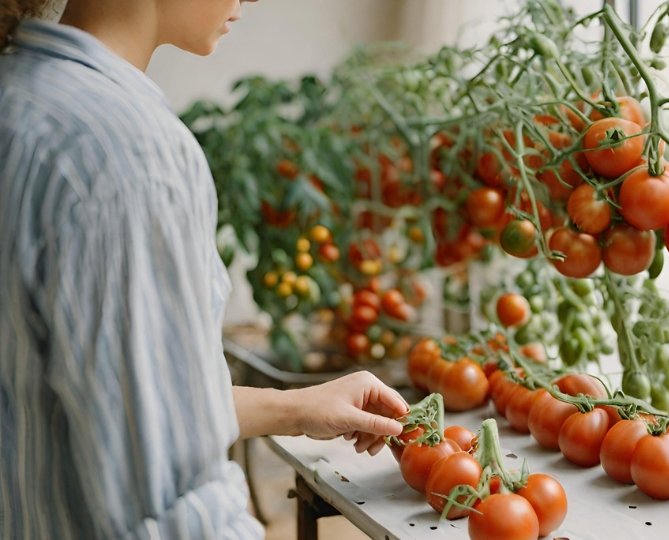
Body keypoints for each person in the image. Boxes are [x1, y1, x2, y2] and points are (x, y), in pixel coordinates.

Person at [0, 0, 409, 538]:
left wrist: (294, 407)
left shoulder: (19, 96)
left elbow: (80, 401)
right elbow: (171, 509)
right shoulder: (125, 152)